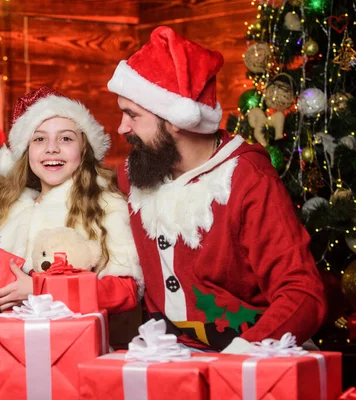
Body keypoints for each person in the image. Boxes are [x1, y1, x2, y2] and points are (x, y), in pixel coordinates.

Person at [108, 26, 326, 353]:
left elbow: (303, 293)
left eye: (132, 115)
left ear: (175, 119)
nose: (122, 127)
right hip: (171, 356)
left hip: (256, 351)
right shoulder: (140, 170)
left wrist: (243, 357)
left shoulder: (246, 179)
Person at [0, 86, 143, 314]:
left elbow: (125, 290)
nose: (52, 148)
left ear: (84, 148)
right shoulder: (11, 210)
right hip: (12, 340)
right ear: (27, 150)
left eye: (65, 138)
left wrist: (41, 289)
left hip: (75, 342)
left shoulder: (106, 205)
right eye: (39, 139)